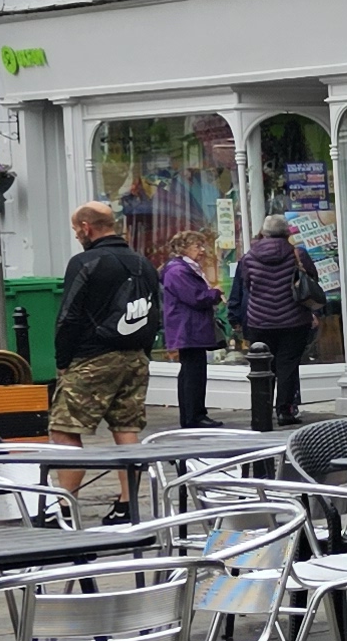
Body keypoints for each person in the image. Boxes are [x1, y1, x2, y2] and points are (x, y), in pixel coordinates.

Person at [50, 203, 158, 502]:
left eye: (76, 230)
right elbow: (155, 312)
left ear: (86, 227)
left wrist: (63, 362)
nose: (76, 236)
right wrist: (143, 352)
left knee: (64, 429)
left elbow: (69, 316)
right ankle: (128, 504)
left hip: (92, 358)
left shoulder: (85, 261)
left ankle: (64, 505)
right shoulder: (142, 263)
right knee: (126, 429)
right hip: (135, 357)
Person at [232, 219, 324, 432]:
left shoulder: (249, 257)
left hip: (259, 321)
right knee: (287, 366)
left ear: (263, 233)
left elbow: (247, 285)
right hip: (294, 320)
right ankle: (285, 410)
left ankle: (262, 411)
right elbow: (312, 278)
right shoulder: (298, 254)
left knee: (263, 367)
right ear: (287, 234)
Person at [159, 233, 222, 430]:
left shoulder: (180, 269)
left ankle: (192, 415)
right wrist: (215, 293)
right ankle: (194, 416)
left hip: (189, 326)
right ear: (183, 248)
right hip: (188, 326)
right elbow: (196, 298)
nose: (202, 250)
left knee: (191, 371)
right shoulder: (178, 271)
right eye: (197, 246)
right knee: (193, 372)